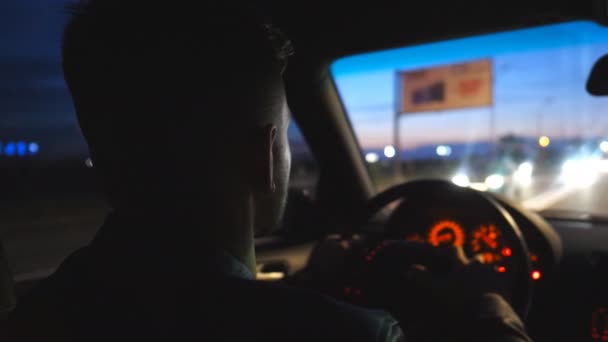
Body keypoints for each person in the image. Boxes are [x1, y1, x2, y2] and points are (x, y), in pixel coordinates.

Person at [5, 1, 531, 341]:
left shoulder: (38, 316)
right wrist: (488, 311)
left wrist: (311, 283)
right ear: (263, 156)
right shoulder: (350, 336)